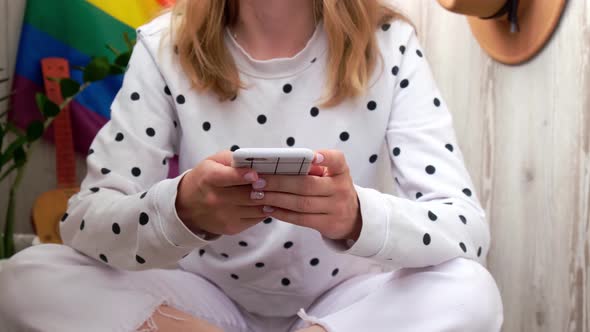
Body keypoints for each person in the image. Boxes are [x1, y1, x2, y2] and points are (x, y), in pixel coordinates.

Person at [0, 0, 503, 331]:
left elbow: (466, 229)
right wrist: (180, 211)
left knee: (472, 291)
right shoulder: (164, 45)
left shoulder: (389, 44)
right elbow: (85, 221)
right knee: (22, 277)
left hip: (344, 304)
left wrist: (354, 216)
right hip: (202, 303)